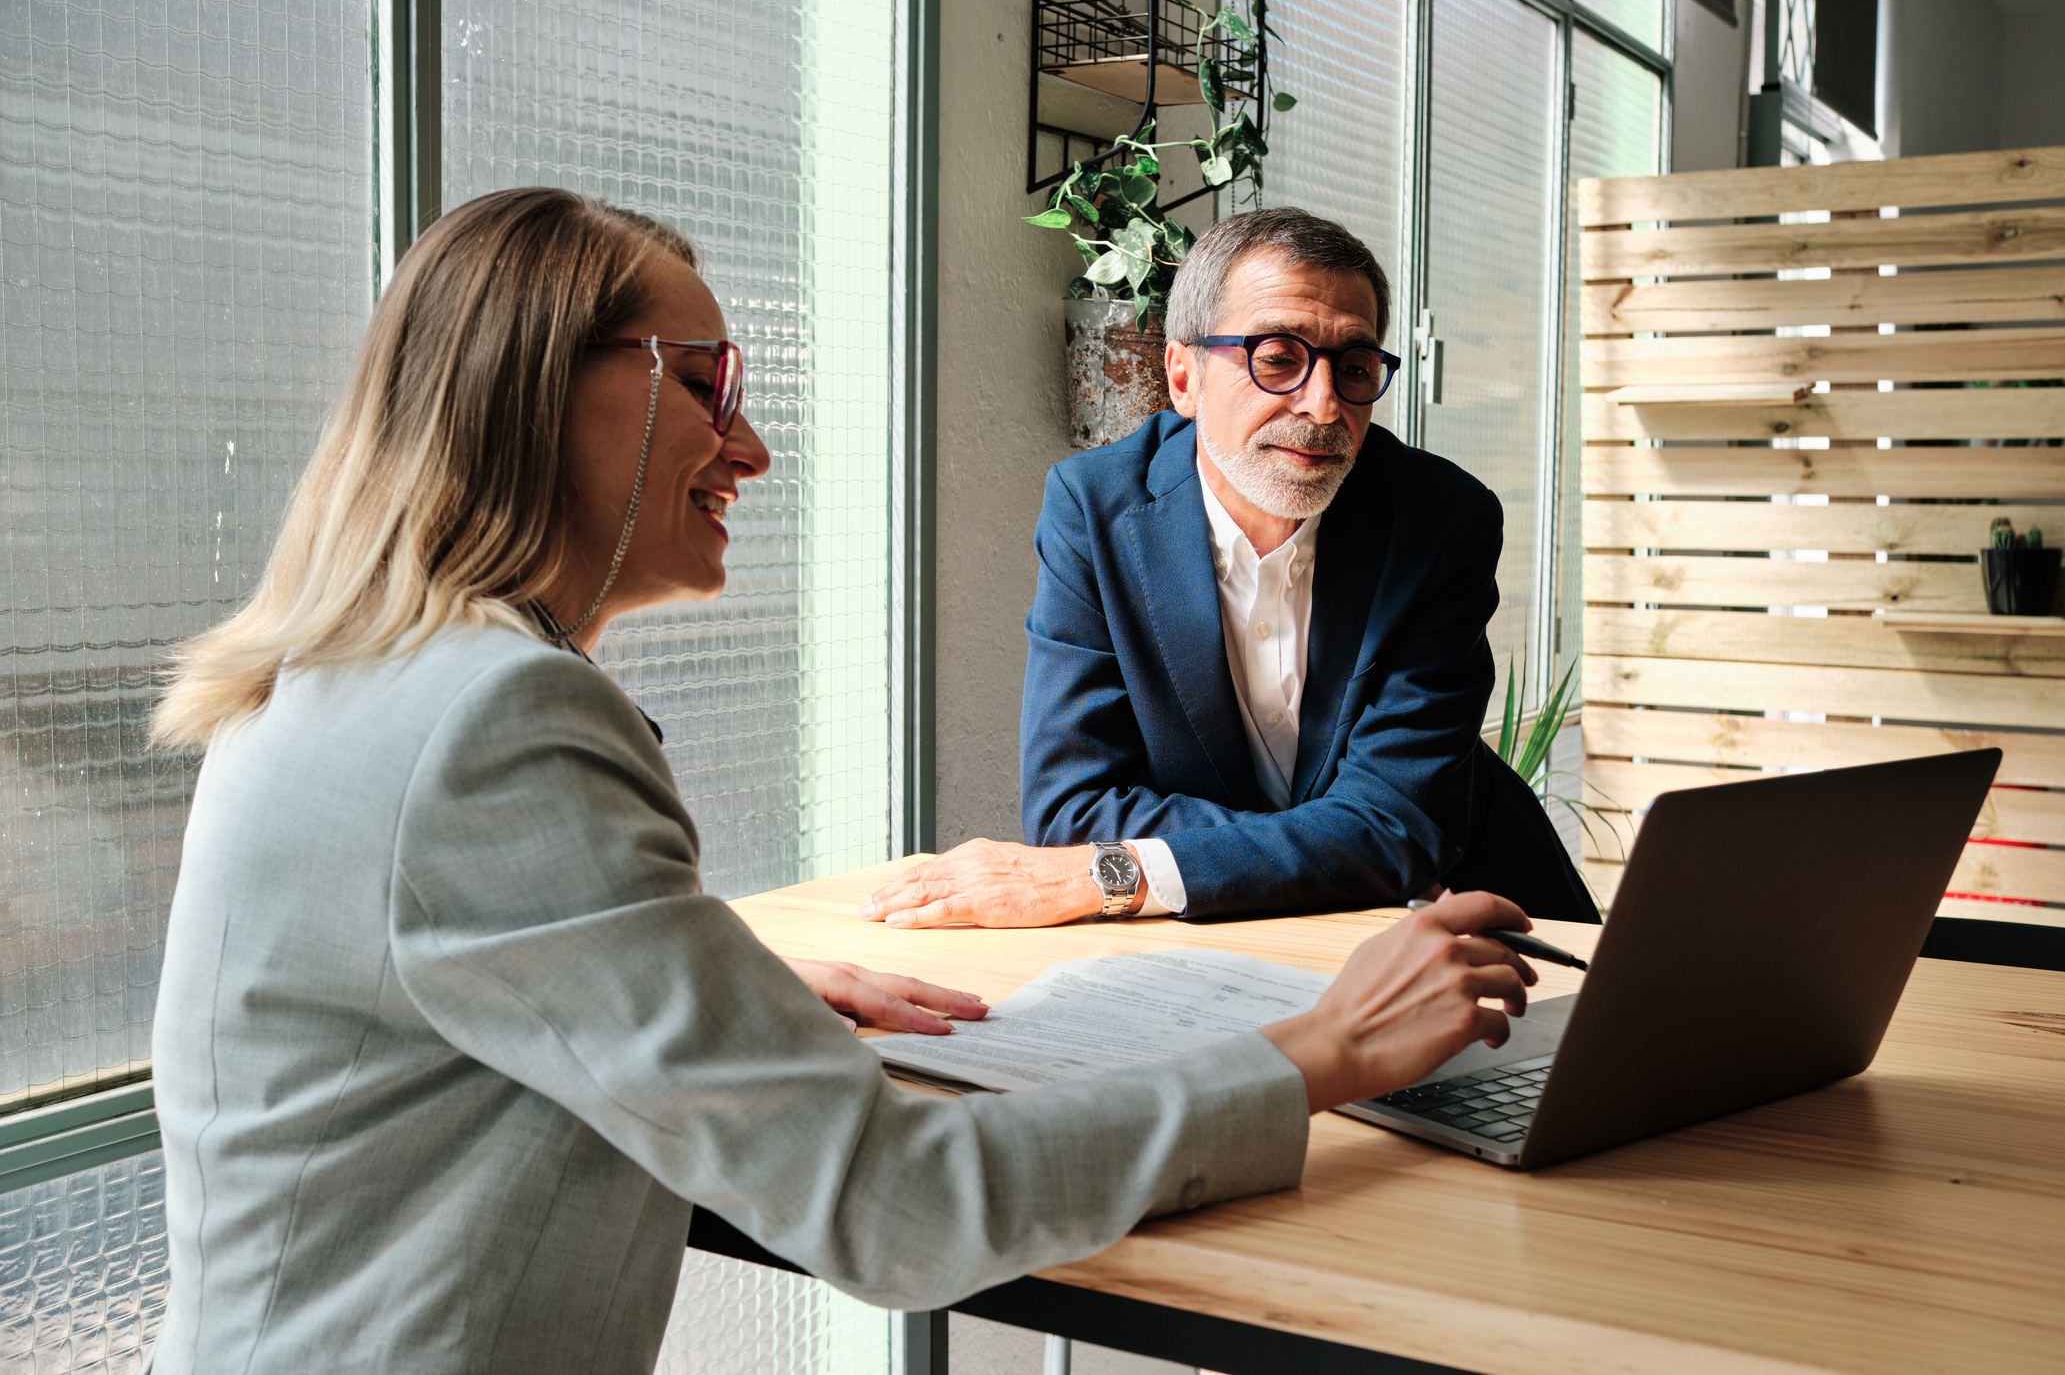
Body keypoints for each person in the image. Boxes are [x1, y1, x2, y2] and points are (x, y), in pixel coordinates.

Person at [144, 188, 1543, 1375]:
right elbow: (891, 1201)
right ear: (531, 386)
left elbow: (421, 980)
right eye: (706, 383)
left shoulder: (341, 676)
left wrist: (693, 977)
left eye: (1353, 366)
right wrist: (1318, 1055)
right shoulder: (499, 718)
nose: (748, 445)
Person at [864, 208, 1597, 929]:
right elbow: (1072, 806)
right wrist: (1329, 842)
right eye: (1277, 357)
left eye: (1354, 366)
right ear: (1182, 378)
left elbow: (1398, 825)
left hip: (1465, 917)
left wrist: (1122, 869)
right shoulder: (1094, 510)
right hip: (1229, 935)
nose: (1323, 403)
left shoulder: (1441, 521)